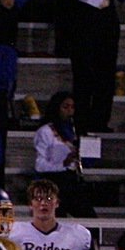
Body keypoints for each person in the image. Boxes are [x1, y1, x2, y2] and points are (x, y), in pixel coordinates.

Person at [66, 0, 125, 134]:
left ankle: (101, 120)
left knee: (106, 74)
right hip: (85, 20)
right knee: (84, 73)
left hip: (107, 21)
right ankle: (82, 122)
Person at [33, 91, 97, 224]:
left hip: (72, 181)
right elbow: (39, 165)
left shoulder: (75, 130)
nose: (70, 111)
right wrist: (63, 163)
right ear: (57, 108)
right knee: (57, 222)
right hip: (53, 182)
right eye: (65, 107)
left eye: (72, 107)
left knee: (90, 219)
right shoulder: (46, 131)